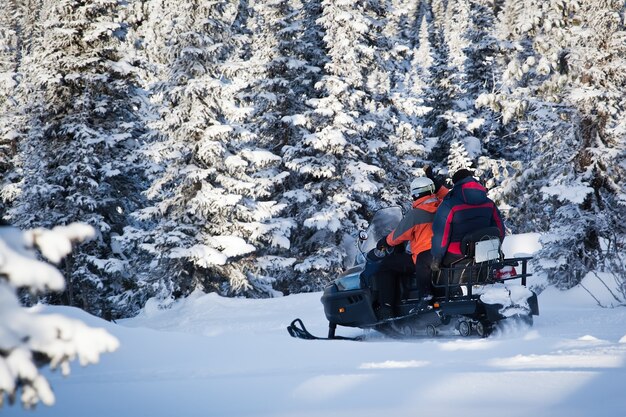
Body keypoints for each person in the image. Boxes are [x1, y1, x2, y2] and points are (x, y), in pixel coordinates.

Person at [374, 171, 449, 318]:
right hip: (443, 254)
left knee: (385, 265)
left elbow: (398, 236)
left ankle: (387, 308)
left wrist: (384, 242)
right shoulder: (442, 206)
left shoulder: (416, 214)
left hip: (422, 257)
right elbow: (448, 195)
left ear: (416, 194)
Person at [430, 169, 505, 272]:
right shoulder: (489, 203)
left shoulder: (449, 204)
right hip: (484, 253)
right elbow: (500, 228)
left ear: (456, 183)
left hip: (457, 255)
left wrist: (437, 257)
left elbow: (441, 234)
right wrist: (495, 247)